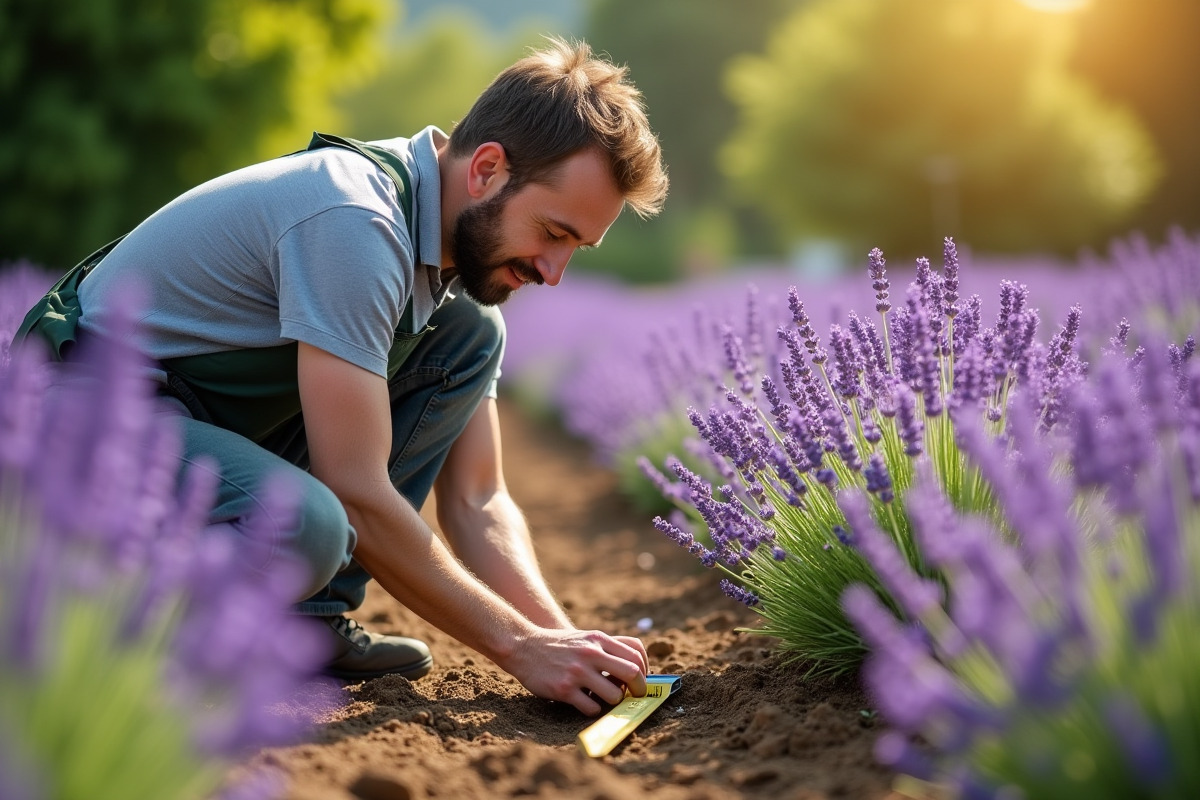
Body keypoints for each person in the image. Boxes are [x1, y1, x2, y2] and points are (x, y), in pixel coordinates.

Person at [20, 37, 668, 716]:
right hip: (87, 411)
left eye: (577, 248)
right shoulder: (356, 222)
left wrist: (560, 639)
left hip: (191, 424)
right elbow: (355, 492)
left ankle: (304, 619)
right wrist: (518, 648)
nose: (554, 272)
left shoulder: (441, 268)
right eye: (553, 232)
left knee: (470, 335)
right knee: (306, 526)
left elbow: (478, 500)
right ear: (486, 170)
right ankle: (90, 634)